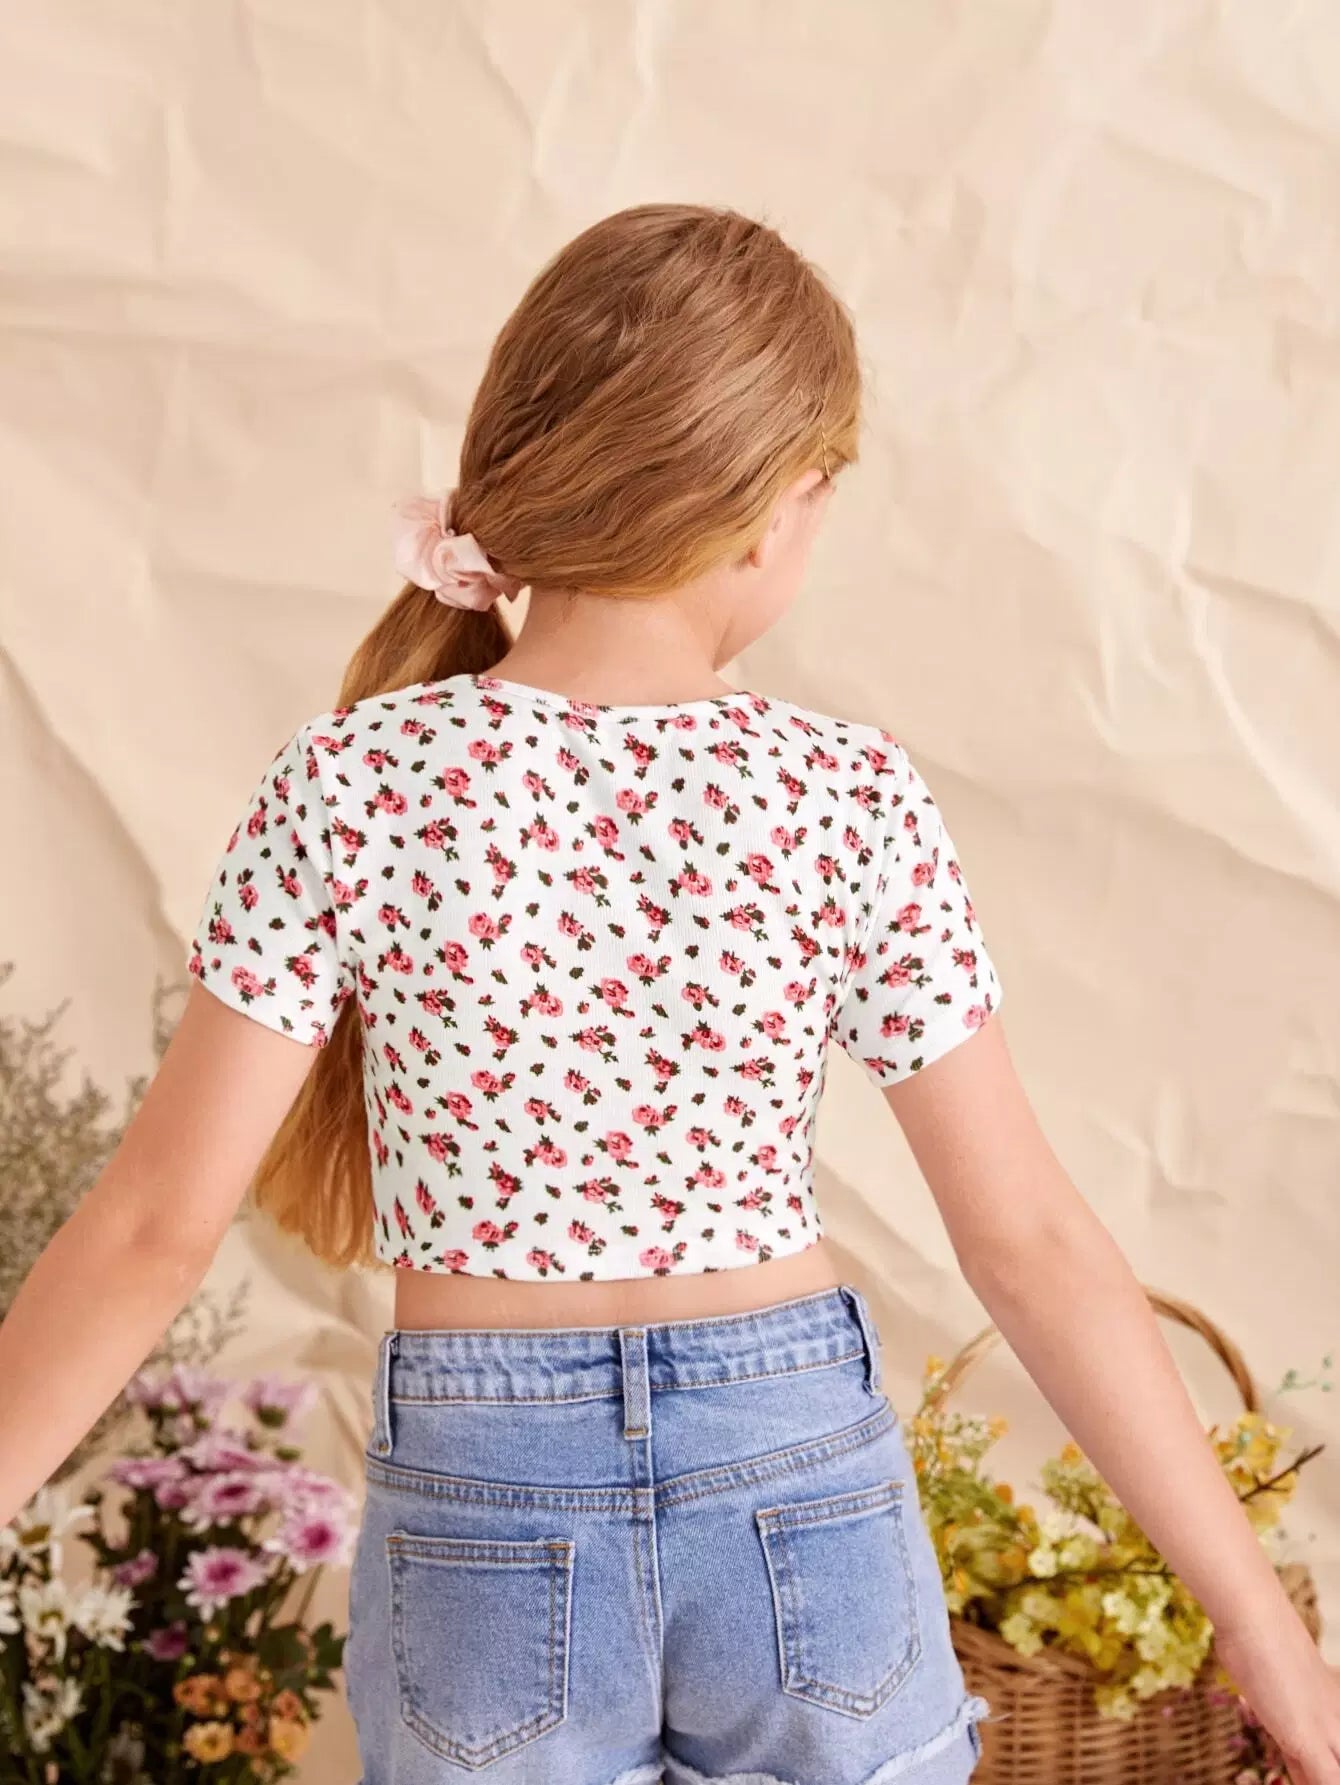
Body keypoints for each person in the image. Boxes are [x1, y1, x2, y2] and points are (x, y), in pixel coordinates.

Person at [1, 201, 1335, 1785]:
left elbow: (152, 1230)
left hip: (483, 1508)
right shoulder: (845, 793)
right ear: (770, 512)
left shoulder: (351, 781)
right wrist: (1255, 1617)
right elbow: (1028, 1240)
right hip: (797, 1476)